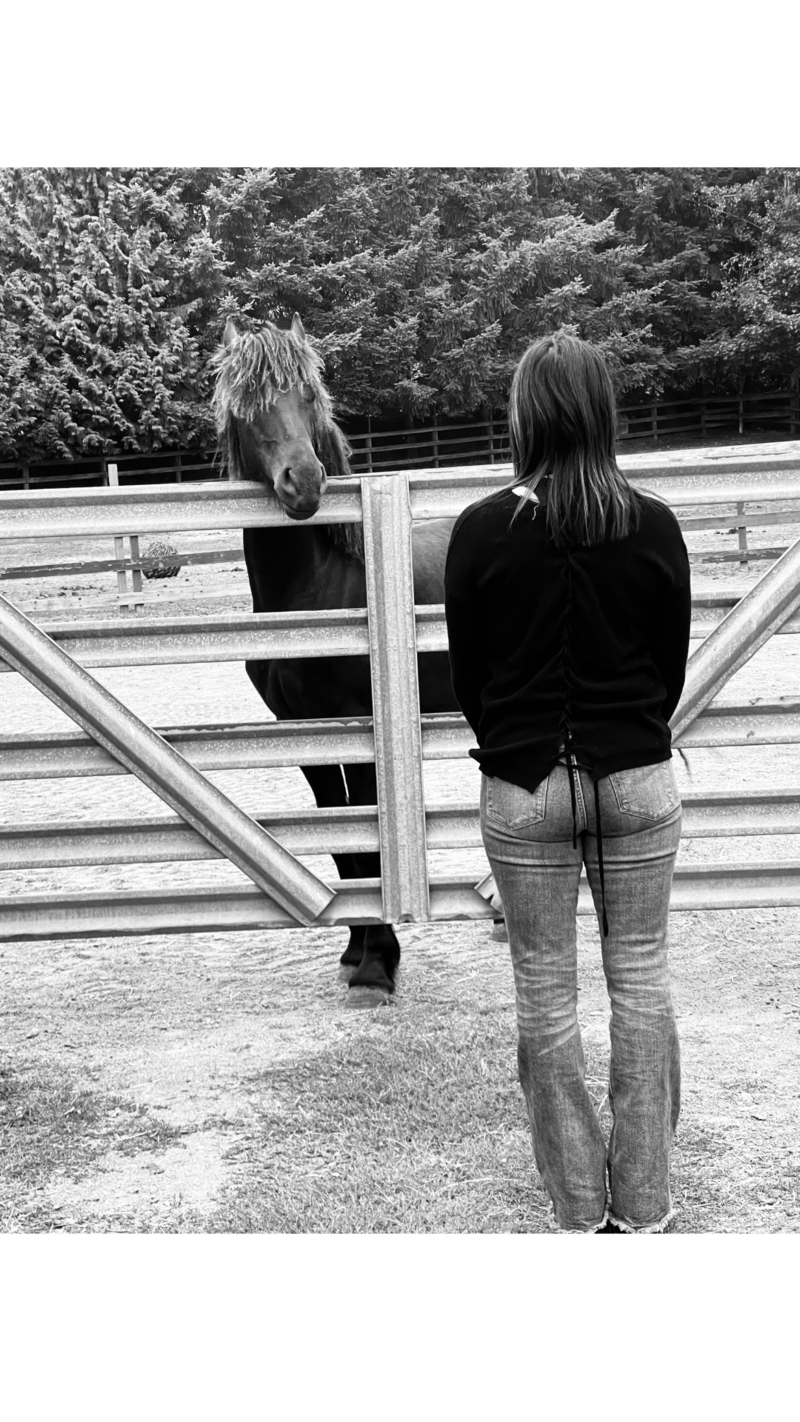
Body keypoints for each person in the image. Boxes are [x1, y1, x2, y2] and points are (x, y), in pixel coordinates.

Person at [444, 334, 691, 1236]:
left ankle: (580, 1206)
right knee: (642, 980)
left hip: (523, 784)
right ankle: (645, 1202)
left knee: (545, 994)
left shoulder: (480, 531)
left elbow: (468, 678)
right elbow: (668, 668)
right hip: (637, 779)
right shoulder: (653, 524)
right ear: (601, 413)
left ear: (526, 416)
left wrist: (522, 740)